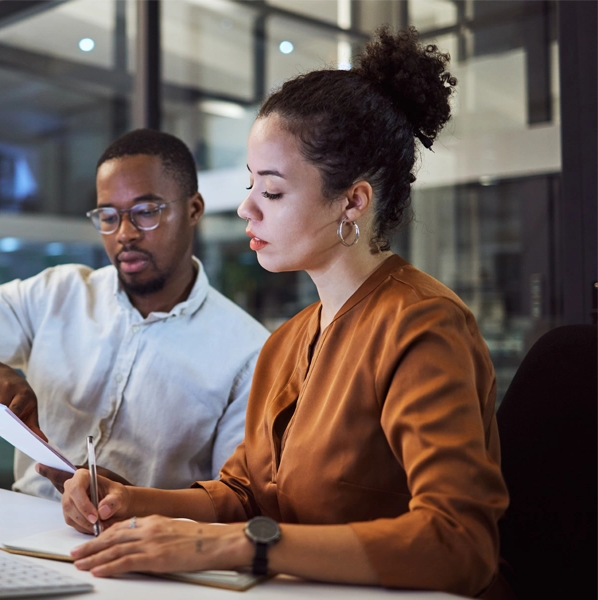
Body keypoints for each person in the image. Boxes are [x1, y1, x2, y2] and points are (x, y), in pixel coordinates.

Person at [60, 27, 510, 598]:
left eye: (271, 192)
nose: (247, 206)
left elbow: (458, 544)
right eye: (251, 186)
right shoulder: (289, 340)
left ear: (353, 200)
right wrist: (130, 501)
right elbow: (247, 494)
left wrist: (236, 545)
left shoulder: (423, 326)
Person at [0, 129, 270, 501]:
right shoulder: (57, 294)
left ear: (193, 210)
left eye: (145, 212)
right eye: (108, 216)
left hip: (145, 544)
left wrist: (133, 499)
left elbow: (235, 500)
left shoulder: (249, 352)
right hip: (22, 522)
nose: (125, 233)